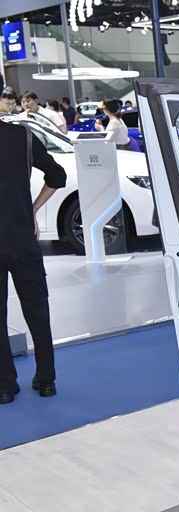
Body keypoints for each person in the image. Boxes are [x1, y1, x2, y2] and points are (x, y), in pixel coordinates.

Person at [0, 117, 68, 403]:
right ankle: (46, 380)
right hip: (22, 238)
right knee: (38, 309)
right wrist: (32, 209)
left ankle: (4, 387)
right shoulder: (23, 136)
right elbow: (57, 176)